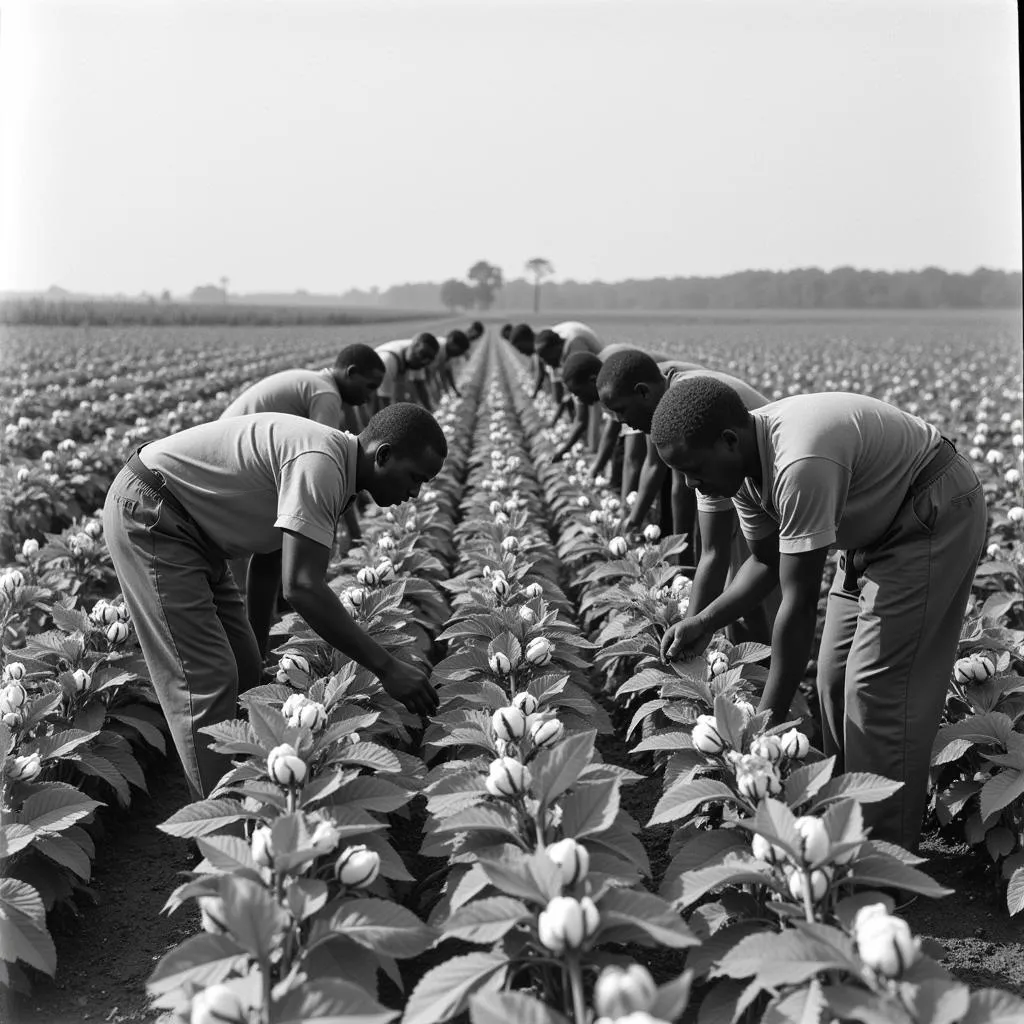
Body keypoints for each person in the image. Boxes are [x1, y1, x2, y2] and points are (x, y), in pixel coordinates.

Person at [653, 379, 987, 851]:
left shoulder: (799, 463)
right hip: (871, 530)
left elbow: (798, 602)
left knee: (875, 688)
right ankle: (844, 824)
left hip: (928, 513)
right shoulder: (745, 473)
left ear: (728, 441)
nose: (691, 484)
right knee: (831, 680)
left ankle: (881, 859)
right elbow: (766, 562)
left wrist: (760, 729)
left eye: (693, 469)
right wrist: (703, 621)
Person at [103, 403, 446, 800]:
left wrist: (257, 644)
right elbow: (301, 587)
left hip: (195, 533)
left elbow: (269, 563)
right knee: (207, 680)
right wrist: (387, 667)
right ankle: (221, 829)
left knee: (246, 669)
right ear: (383, 455)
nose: (415, 492)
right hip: (154, 516)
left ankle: (251, 787)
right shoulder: (322, 464)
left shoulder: (339, 470)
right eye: (415, 477)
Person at [597, 351, 777, 641]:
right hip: (739, 474)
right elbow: (663, 472)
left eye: (623, 412)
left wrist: (681, 552)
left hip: (765, 478)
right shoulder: (663, 405)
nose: (622, 423)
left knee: (751, 589)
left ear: (642, 392)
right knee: (733, 578)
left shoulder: (682, 404)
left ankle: (761, 669)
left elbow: (677, 487)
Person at [220, 344, 386, 561]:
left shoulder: (319, 383)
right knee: (276, 535)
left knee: (276, 541)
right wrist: (350, 538)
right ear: (351, 372)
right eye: (369, 386)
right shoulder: (327, 395)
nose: (371, 396)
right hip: (237, 458)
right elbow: (326, 466)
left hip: (235, 447)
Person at [373, 333, 440, 410]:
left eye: (429, 359)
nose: (423, 362)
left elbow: (420, 386)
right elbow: (384, 400)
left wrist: (430, 411)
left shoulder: (417, 358)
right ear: (413, 346)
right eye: (422, 355)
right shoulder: (388, 360)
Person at [409, 329, 470, 403]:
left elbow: (447, 372)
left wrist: (453, 390)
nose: (459, 354)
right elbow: (427, 372)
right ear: (453, 344)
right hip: (413, 375)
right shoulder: (437, 349)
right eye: (460, 350)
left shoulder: (448, 352)